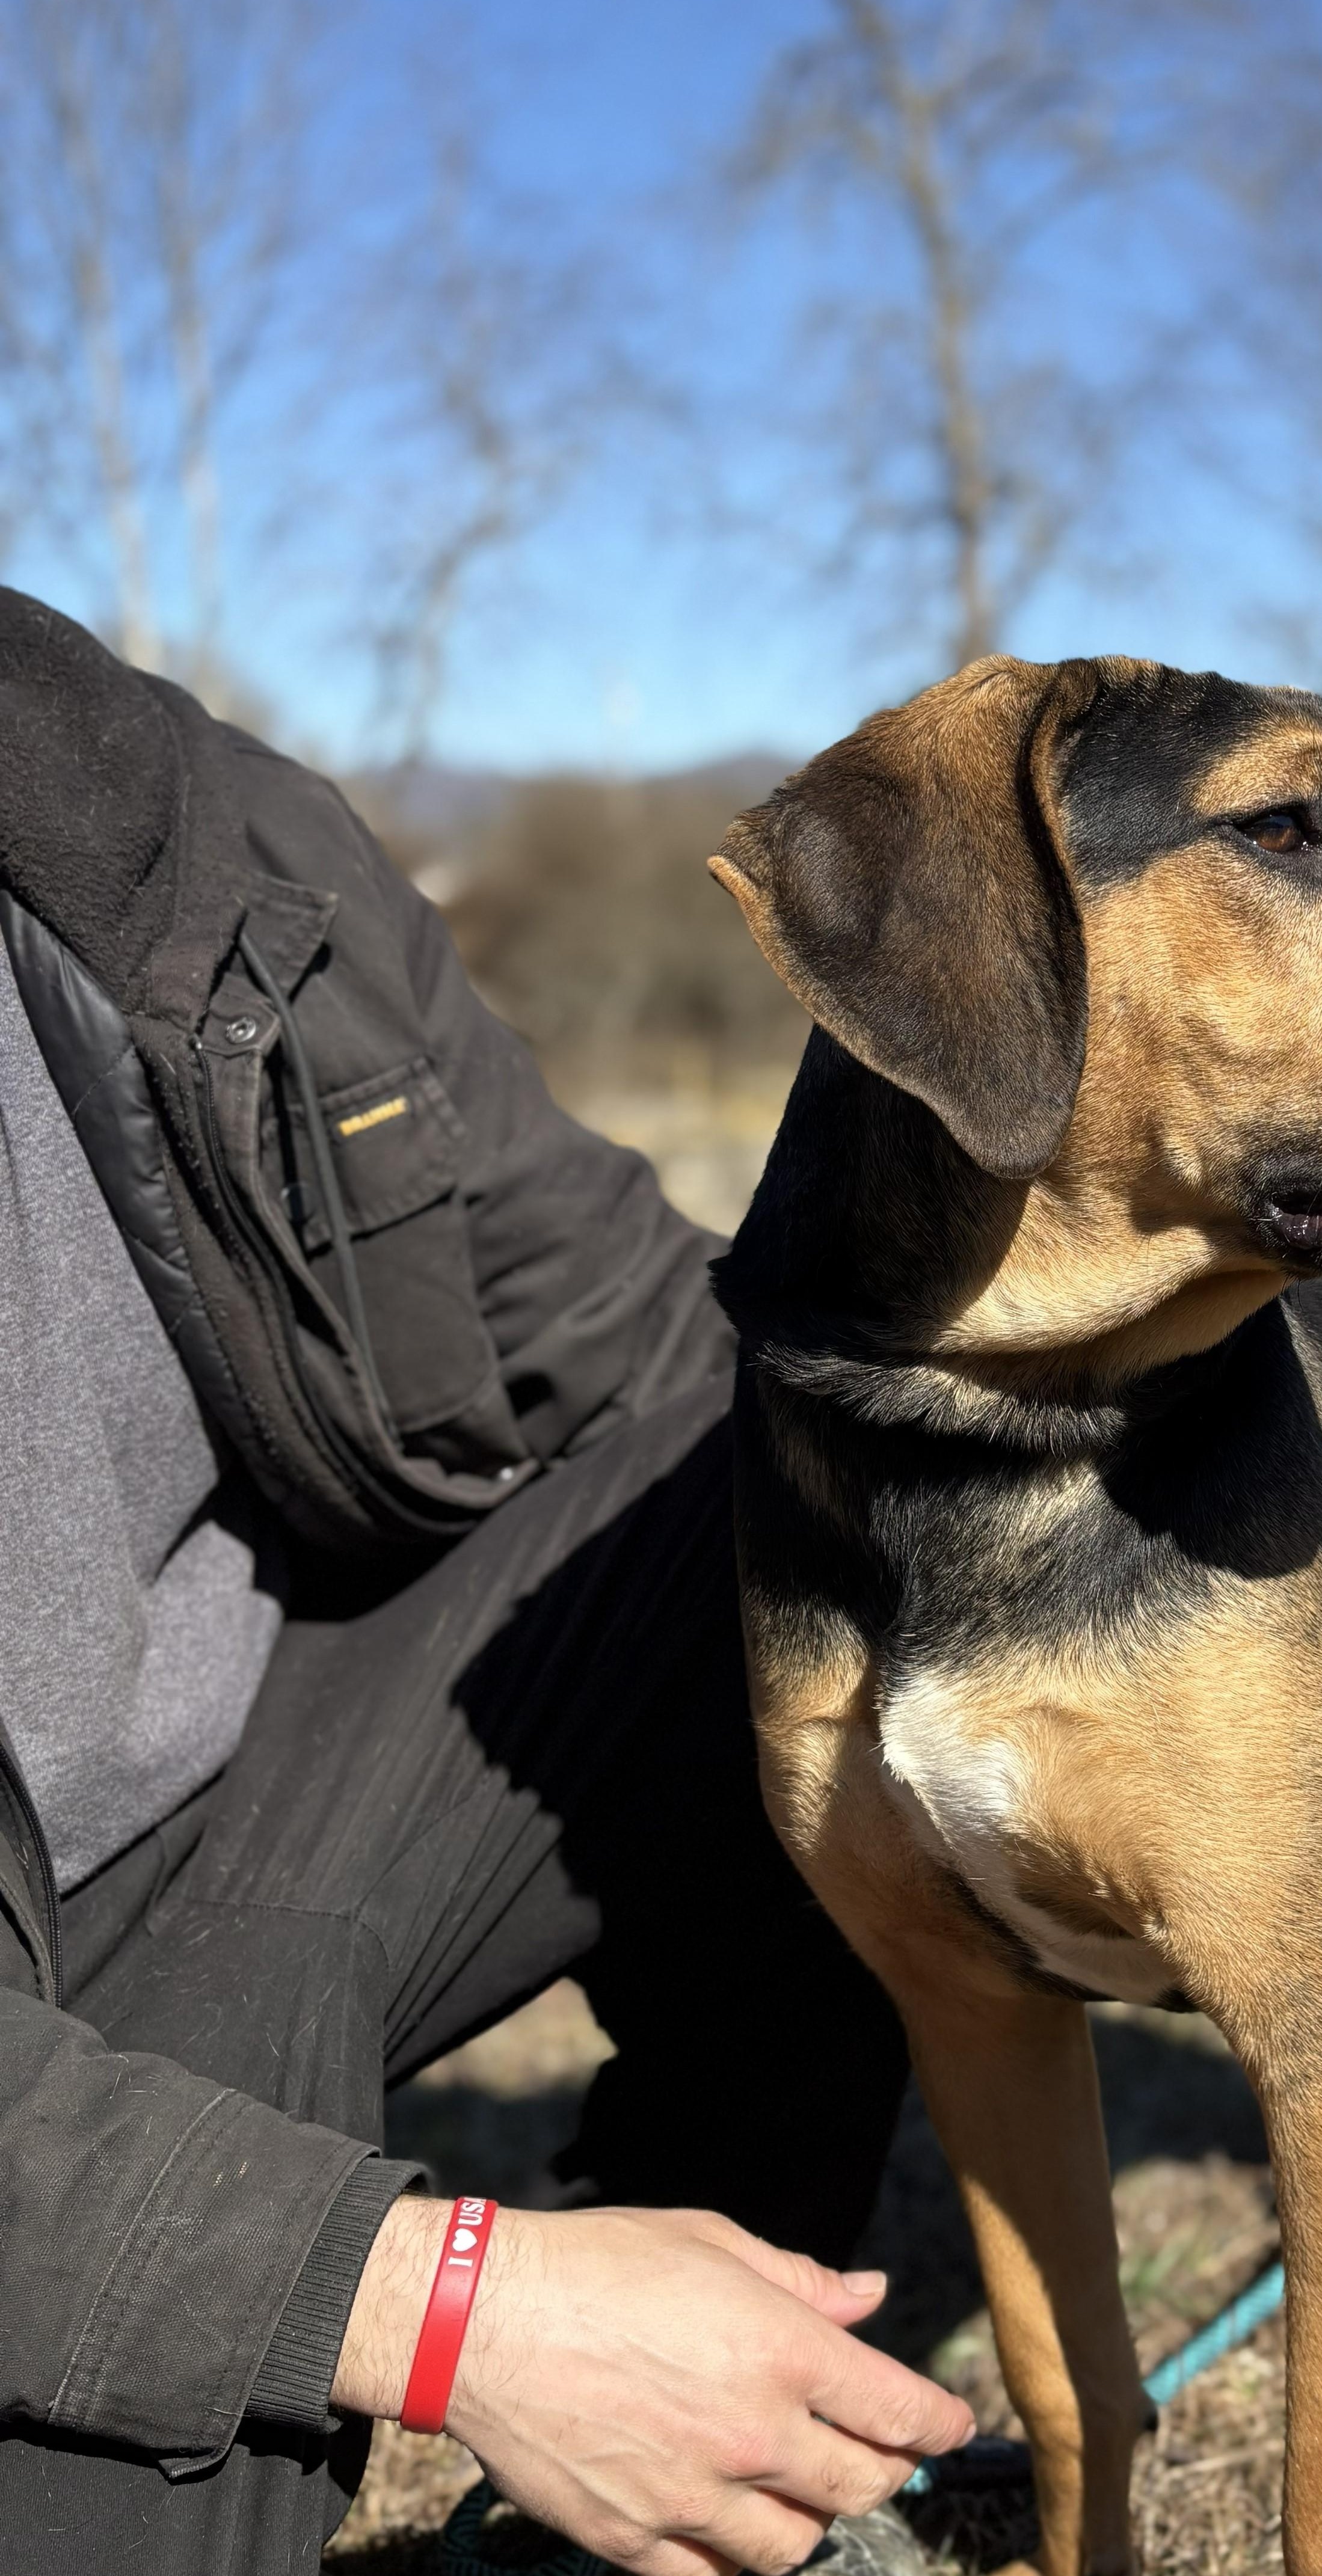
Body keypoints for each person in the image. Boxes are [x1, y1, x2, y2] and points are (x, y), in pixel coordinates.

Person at [0, 587, 970, 2576]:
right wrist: (450, 2305)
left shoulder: (117, 801)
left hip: (215, 1801)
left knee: (788, 1480)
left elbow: (631, 1322)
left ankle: (705, 2437)